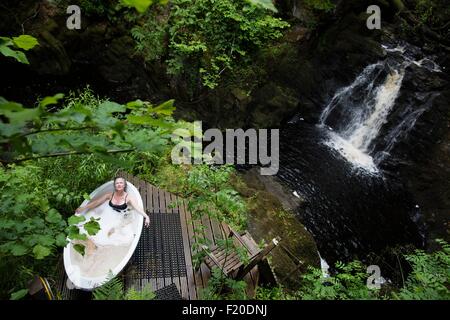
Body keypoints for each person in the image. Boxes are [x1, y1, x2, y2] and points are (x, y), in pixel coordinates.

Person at [74, 176, 150, 254]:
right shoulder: (109, 195)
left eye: (121, 183)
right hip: (108, 216)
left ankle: (97, 249)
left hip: (121, 218)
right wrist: (83, 208)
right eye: (117, 183)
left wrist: (146, 216)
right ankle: (92, 247)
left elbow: (137, 207)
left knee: (110, 235)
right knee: (91, 229)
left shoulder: (128, 197)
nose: (119, 184)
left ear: (124, 185)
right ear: (114, 185)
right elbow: (97, 202)